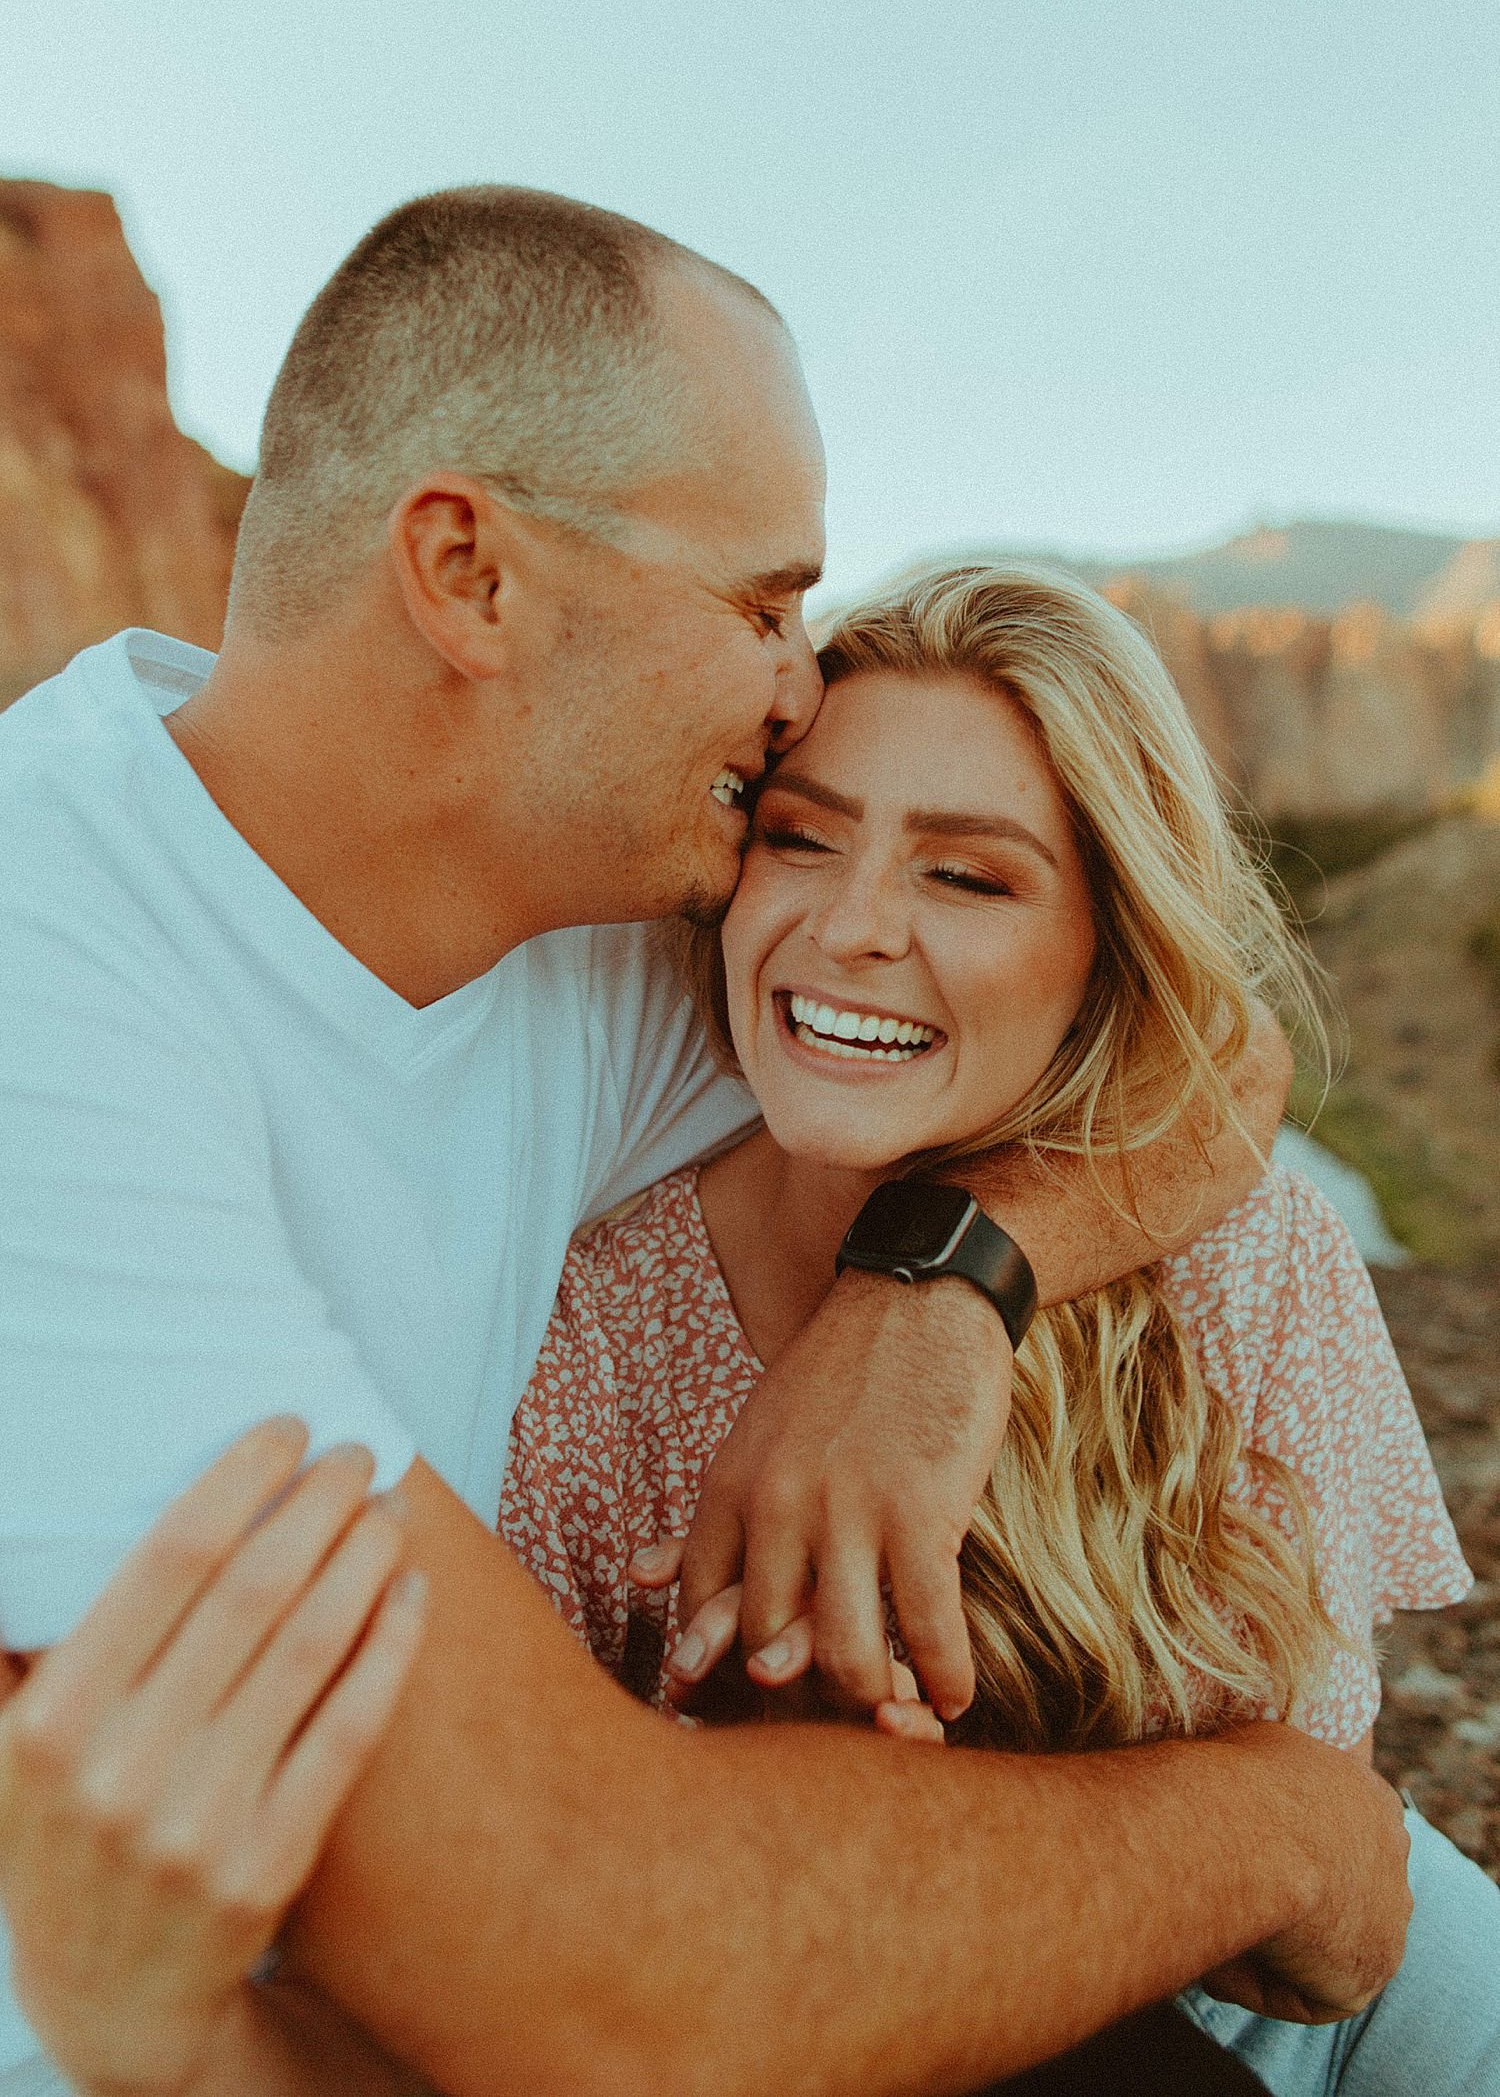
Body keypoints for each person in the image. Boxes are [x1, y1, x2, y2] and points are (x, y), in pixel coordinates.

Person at [0, 189, 1412, 2097]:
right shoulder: (49, 992)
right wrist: (1292, 1828)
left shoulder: (566, 935)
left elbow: (1189, 1045)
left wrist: (941, 1295)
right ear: (473, 575)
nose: (799, 685)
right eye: (762, 601)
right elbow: (629, 1975)